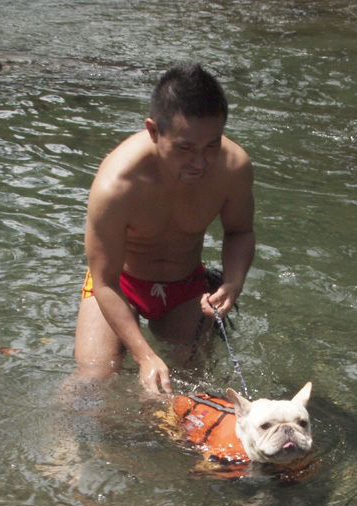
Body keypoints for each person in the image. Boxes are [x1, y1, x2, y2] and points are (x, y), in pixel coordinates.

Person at [74, 62, 256, 395]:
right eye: (185, 148)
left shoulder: (233, 168)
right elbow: (104, 281)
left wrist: (233, 282)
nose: (200, 162)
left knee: (190, 384)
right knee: (93, 378)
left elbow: (240, 232)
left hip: (185, 287)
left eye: (211, 146)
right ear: (154, 131)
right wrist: (144, 356)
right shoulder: (117, 184)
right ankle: (65, 446)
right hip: (120, 285)